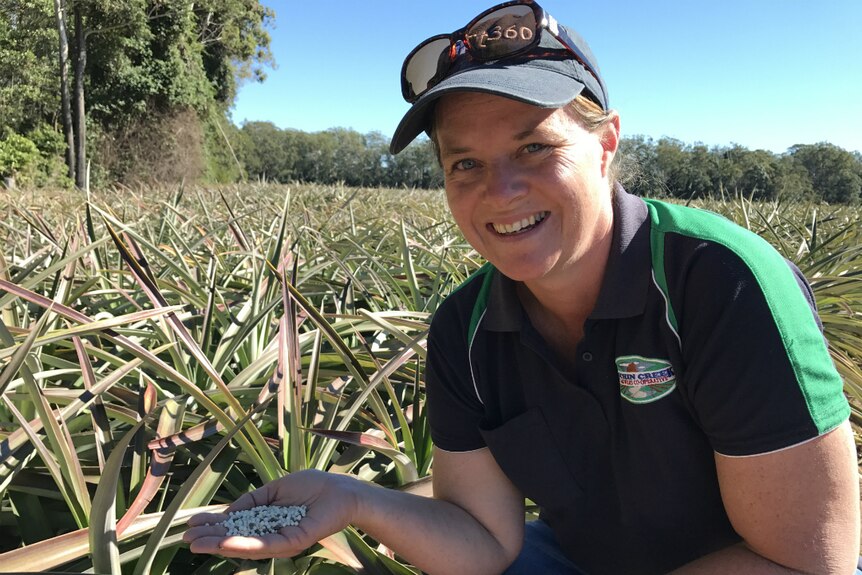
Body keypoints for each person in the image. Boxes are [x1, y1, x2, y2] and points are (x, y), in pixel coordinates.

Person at [183, 1, 861, 573]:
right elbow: (484, 538)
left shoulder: (723, 284)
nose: (500, 191)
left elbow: (812, 560)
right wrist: (354, 498)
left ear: (606, 144)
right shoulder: (464, 330)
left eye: (534, 147)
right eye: (466, 163)